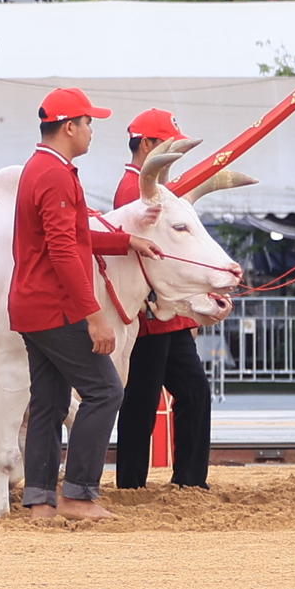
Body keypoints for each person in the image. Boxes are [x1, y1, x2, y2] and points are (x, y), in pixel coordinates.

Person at [12, 88, 134, 520]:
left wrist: (125, 240)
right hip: (56, 308)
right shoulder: (57, 174)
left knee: (49, 403)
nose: (91, 131)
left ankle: (41, 500)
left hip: (31, 307)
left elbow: (70, 235)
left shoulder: (40, 168)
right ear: (69, 126)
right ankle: (78, 494)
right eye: (88, 123)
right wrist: (95, 316)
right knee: (105, 391)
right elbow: (64, 250)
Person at [110, 108, 214, 491]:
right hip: (151, 313)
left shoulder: (151, 187)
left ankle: (189, 480)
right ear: (150, 145)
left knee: (192, 391)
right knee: (143, 400)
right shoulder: (135, 189)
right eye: (168, 144)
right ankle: (132, 483)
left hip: (170, 314)